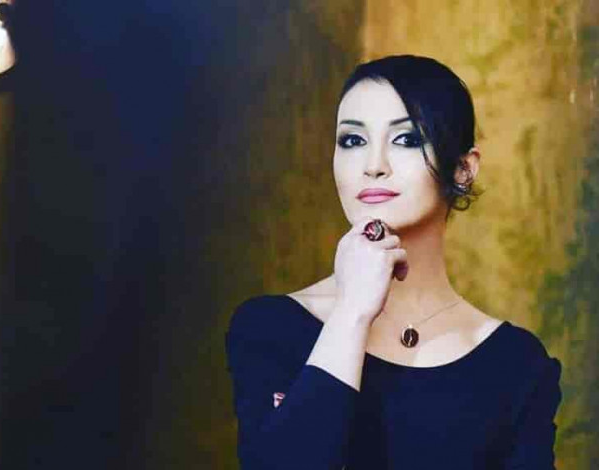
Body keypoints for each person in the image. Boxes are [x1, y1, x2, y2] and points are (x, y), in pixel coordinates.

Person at [224, 55, 562, 469]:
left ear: (462, 169)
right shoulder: (270, 327)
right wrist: (352, 313)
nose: (373, 166)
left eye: (406, 139)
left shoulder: (516, 364)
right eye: (353, 141)